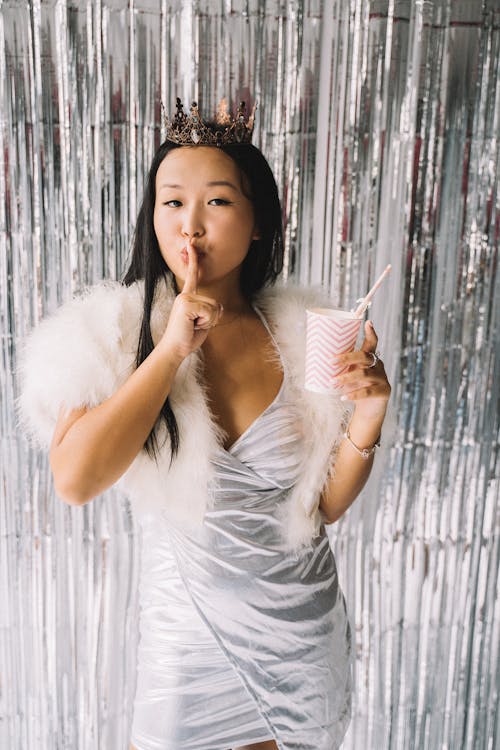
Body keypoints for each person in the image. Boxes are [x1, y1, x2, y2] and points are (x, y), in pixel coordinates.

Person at [18, 99, 391, 750]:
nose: (190, 225)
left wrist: (369, 412)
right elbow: (75, 480)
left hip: (303, 640)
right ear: (152, 215)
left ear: (257, 223)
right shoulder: (108, 331)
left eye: (216, 202)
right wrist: (169, 352)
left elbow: (321, 507)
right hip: (188, 648)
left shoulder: (305, 334)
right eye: (171, 202)